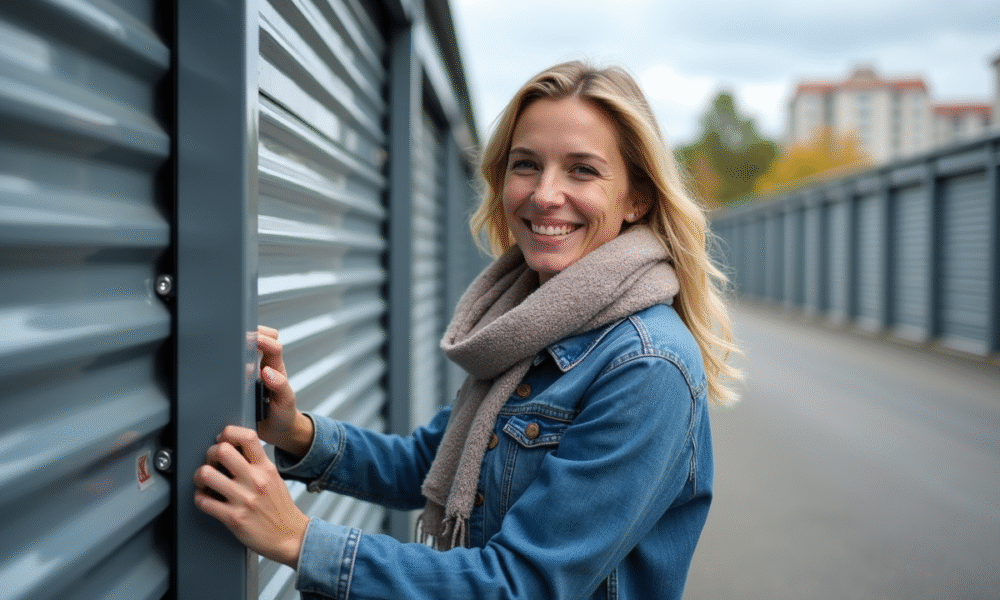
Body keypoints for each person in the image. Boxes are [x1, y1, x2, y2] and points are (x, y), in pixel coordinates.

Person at [194, 60, 741, 600]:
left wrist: (299, 538)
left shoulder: (646, 367)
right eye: (525, 165)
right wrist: (294, 431)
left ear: (637, 198)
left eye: (582, 170)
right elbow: (426, 465)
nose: (545, 194)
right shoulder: (532, 323)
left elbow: (523, 585)